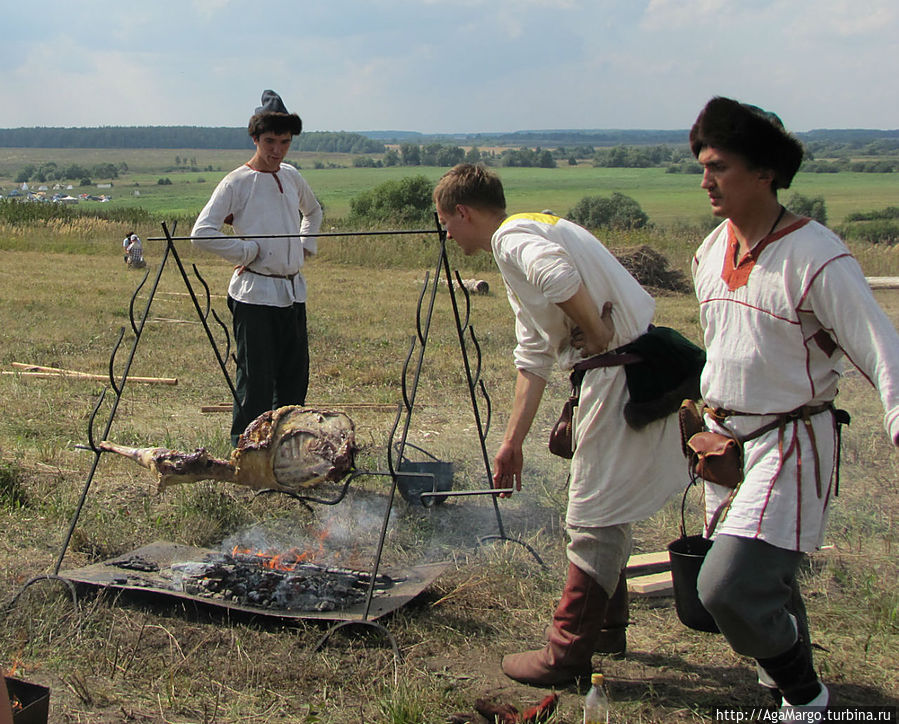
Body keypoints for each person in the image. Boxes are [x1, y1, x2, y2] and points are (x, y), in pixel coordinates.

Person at [433, 164, 687, 686]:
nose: (446, 234)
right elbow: (533, 355)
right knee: (605, 502)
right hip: (619, 372)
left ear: (463, 212)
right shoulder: (529, 236)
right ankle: (608, 628)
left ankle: (567, 654)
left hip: (619, 374)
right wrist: (511, 444)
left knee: (592, 512)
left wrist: (594, 331)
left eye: (445, 222)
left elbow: (558, 276)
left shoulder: (512, 236)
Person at [689, 97, 899, 710]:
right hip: (726, 444)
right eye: (702, 166)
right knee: (761, 583)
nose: (705, 181)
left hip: (790, 442)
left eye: (719, 166)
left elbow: (881, 348)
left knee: (727, 588)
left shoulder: (817, 257)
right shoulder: (709, 252)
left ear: (765, 173)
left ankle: (807, 698)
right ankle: (783, 679)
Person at [192, 90, 323, 445]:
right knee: (257, 379)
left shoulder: (292, 176)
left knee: (294, 378)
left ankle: (286, 449)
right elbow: (201, 233)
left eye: (284, 141)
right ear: (255, 138)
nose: (276, 149)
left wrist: (304, 244)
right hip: (254, 295)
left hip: (292, 292)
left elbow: (314, 211)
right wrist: (246, 251)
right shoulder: (237, 181)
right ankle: (248, 452)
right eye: (269, 141)